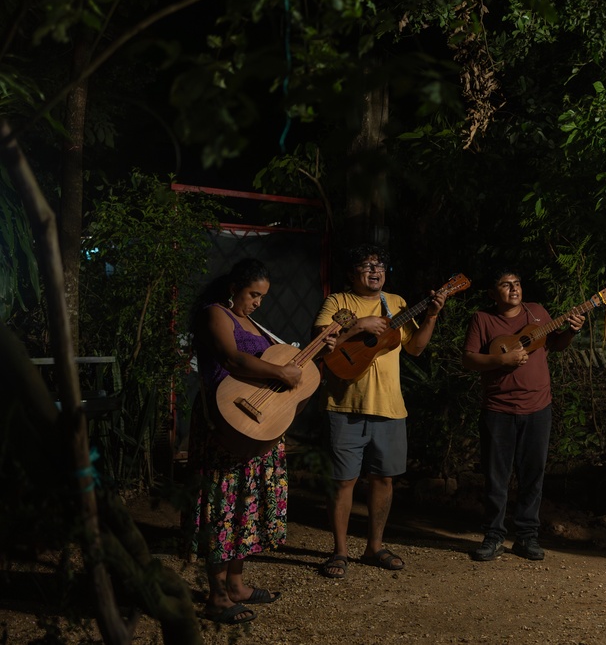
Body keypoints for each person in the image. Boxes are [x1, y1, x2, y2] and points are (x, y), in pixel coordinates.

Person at [313, 243, 448, 579]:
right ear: (350, 273)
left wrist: (430, 315)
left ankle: (374, 546)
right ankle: (340, 551)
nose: (375, 270)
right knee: (343, 481)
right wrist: (360, 325)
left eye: (380, 265)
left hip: (390, 406)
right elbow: (319, 341)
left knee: (384, 478)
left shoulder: (398, 303)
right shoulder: (338, 302)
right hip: (343, 404)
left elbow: (415, 348)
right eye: (366, 264)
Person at [189, 258, 301, 625]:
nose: (257, 302)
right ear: (234, 287)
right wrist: (280, 372)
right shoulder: (216, 313)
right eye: (253, 294)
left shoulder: (254, 323)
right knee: (223, 505)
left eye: (263, 297)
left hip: (259, 422)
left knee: (247, 505)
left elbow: (277, 365)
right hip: (225, 420)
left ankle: (236, 584)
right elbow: (231, 358)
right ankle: (216, 597)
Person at [462, 268, 585, 562]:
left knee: (533, 475)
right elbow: (468, 358)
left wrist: (571, 331)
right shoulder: (483, 319)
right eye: (505, 285)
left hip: (538, 407)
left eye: (517, 283)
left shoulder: (537, 313)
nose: (514, 289)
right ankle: (493, 536)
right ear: (493, 294)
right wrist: (501, 359)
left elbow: (554, 345)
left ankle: (527, 537)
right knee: (496, 476)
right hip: (498, 409)